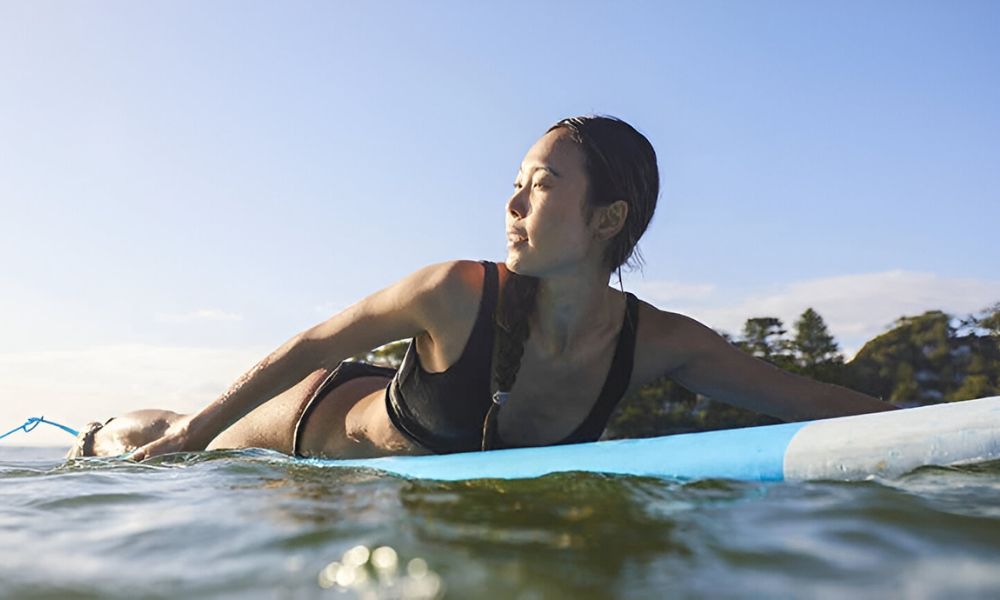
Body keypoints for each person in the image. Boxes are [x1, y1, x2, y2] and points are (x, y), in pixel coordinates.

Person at [66, 115, 895, 461]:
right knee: (180, 432)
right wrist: (187, 438)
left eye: (537, 186)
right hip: (319, 421)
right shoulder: (456, 290)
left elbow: (800, 397)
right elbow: (313, 345)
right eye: (515, 182)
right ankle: (107, 428)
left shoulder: (660, 344)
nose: (510, 203)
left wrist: (934, 429)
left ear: (608, 219)